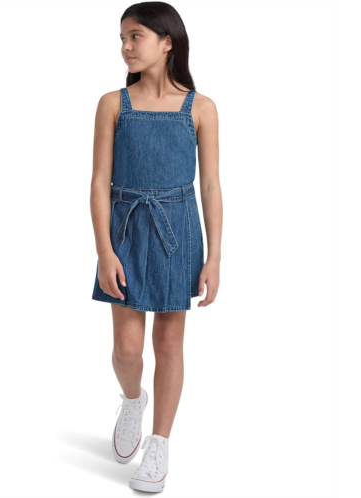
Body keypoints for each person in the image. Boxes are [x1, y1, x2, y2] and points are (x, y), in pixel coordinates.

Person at [90, 2, 222, 492]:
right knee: (127, 350)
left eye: (136, 36)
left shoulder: (201, 108)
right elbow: (99, 181)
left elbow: (211, 185)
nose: (126, 46)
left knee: (168, 343)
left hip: (177, 229)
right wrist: (104, 250)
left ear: (168, 42)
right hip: (125, 228)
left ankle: (160, 442)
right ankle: (132, 401)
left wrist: (215, 256)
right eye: (122, 38)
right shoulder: (112, 103)